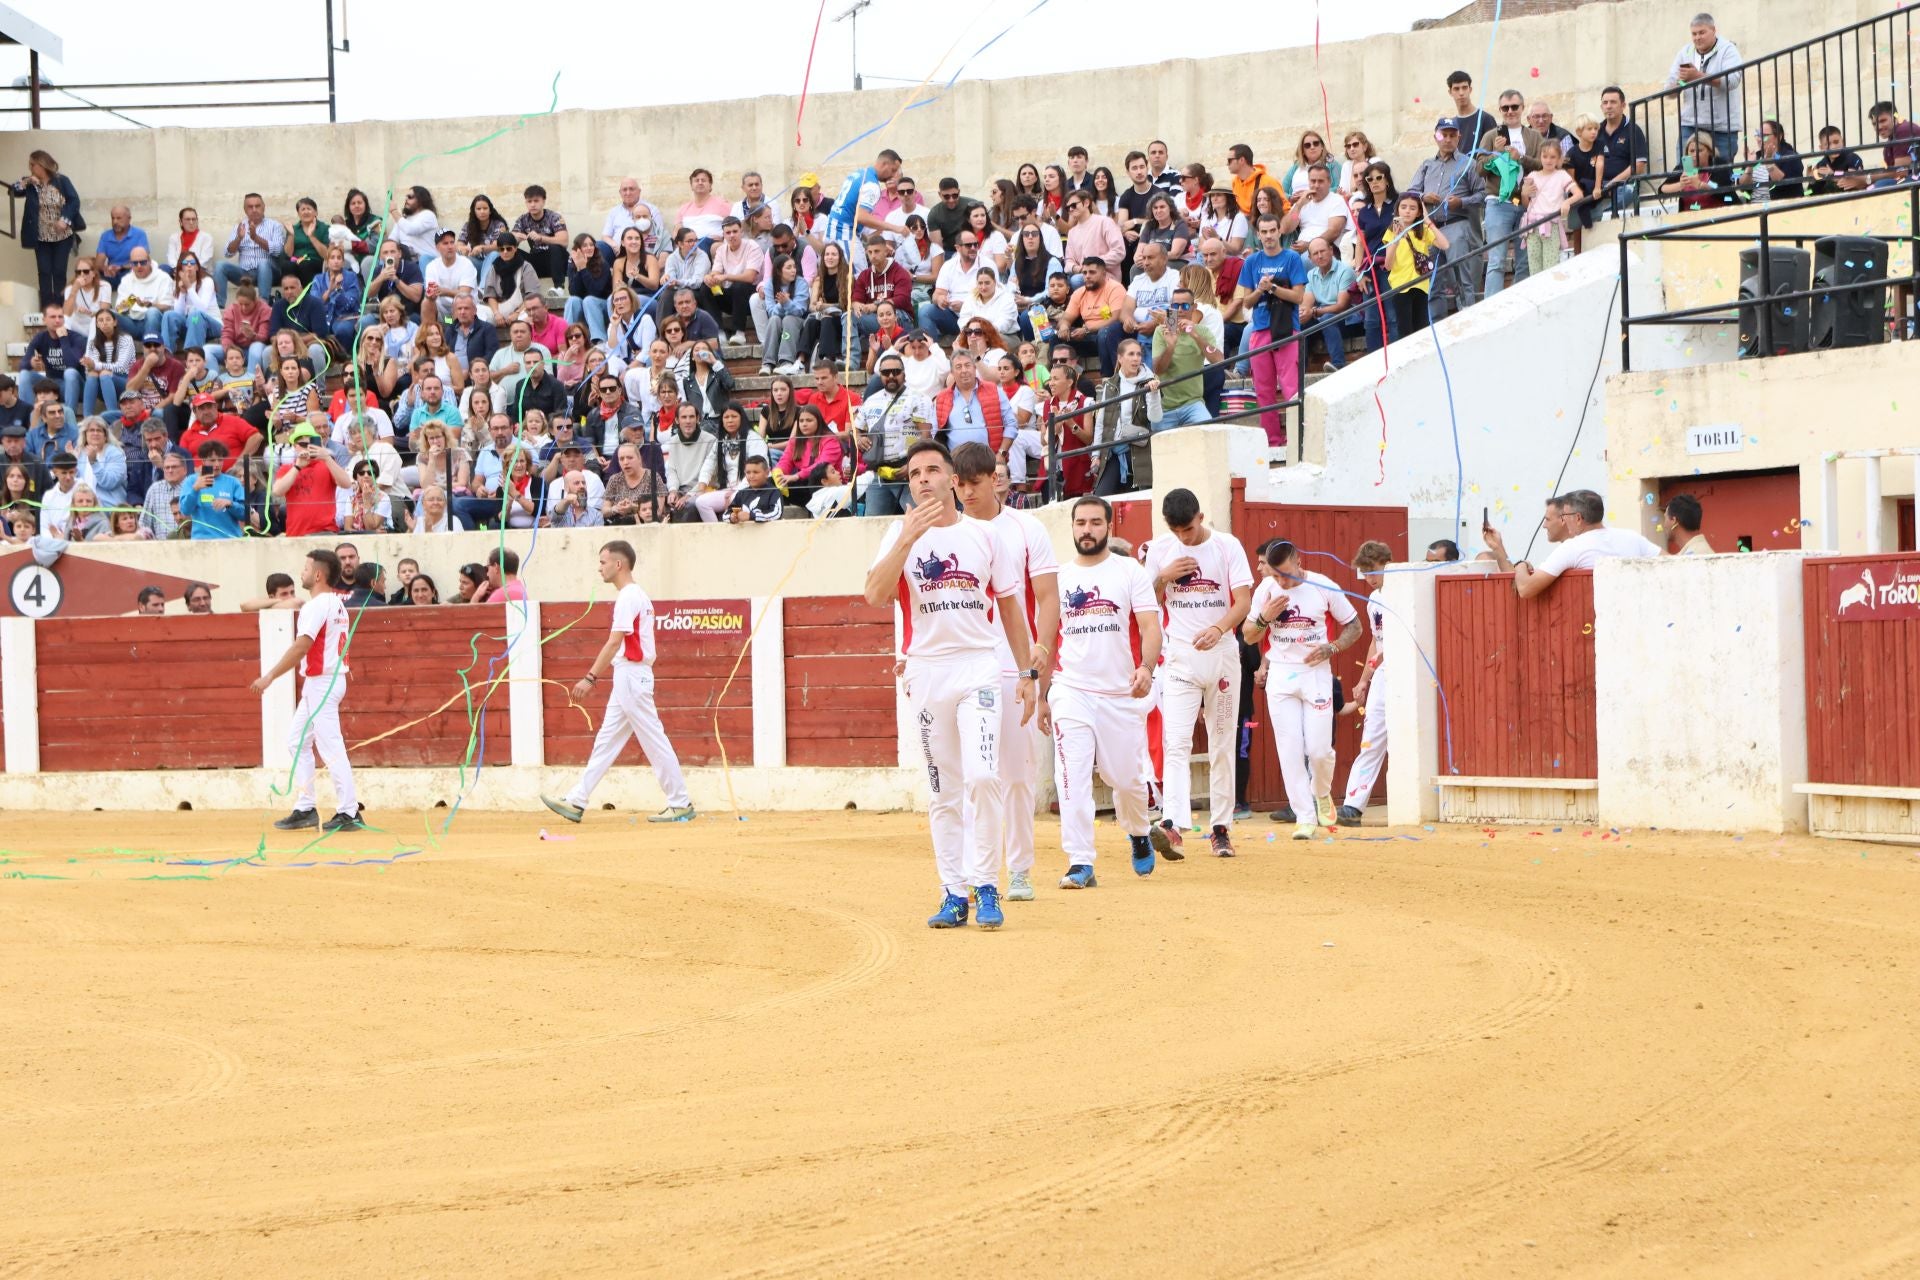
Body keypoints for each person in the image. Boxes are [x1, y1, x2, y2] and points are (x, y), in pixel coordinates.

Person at [864, 440, 1037, 930]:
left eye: (931, 470)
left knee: (984, 776)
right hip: (927, 672)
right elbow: (875, 595)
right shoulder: (898, 535)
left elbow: (1009, 608)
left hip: (978, 665)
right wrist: (904, 541)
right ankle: (953, 891)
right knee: (944, 789)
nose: (921, 479)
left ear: (952, 480)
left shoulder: (985, 537)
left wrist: (1027, 675)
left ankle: (986, 885)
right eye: (914, 473)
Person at [951, 441, 1060, 904]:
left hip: (1013, 666)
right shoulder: (947, 531)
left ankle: (1018, 869)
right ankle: (980, 873)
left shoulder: (1025, 528)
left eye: (976, 483)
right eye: (961, 485)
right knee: (975, 778)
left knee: (1015, 774)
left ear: (995, 480)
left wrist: (1041, 653)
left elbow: (1048, 598)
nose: (968, 493)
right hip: (964, 667)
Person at [1040, 494, 1163, 887]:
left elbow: (1149, 627)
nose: (1087, 530)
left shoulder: (1129, 572)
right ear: (1072, 527)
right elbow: (1044, 639)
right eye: (1080, 523)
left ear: (1109, 526)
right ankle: (1080, 861)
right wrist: (1043, 695)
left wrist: (1145, 667)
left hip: (1119, 693)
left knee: (1125, 779)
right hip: (1070, 689)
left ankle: (1139, 832)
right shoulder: (1058, 577)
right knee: (1070, 777)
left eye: (1095, 522)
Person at [541, 541, 695, 825]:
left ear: (618, 564)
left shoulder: (628, 597)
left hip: (631, 674)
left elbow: (615, 642)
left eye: (603, 562)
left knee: (653, 740)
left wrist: (590, 677)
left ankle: (679, 802)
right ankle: (577, 800)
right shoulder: (636, 596)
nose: (600, 567)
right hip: (630, 675)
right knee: (607, 741)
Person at [1143, 487, 1253, 857]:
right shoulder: (1161, 551)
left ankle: (1220, 827)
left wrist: (1219, 628)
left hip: (1220, 654)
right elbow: (1146, 603)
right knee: (1176, 742)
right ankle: (1172, 823)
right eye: (1176, 531)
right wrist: (1163, 576)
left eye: (1188, 530)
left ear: (1201, 518)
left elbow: (1243, 602)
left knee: (1222, 744)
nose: (1183, 538)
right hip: (1180, 657)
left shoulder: (1227, 546)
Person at [1243, 540, 1361, 840]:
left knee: (1319, 750)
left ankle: (1321, 792)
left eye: (1286, 574)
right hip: (1281, 675)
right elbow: (1248, 636)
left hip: (1315, 672)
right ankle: (1304, 816)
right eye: (1276, 575)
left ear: (1298, 562)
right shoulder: (1266, 590)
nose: (1282, 581)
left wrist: (1332, 648)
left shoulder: (1323, 586)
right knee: (1290, 749)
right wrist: (1264, 617)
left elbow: (1355, 626)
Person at [250, 549, 363, 833]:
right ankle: (305, 807)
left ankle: (349, 811)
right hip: (325, 681)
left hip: (323, 682)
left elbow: (302, 645)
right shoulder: (335, 603)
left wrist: (270, 676)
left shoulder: (316, 606)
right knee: (297, 741)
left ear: (317, 574)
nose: (301, 572)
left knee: (330, 747)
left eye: (305, 568)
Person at [1224, 213, 1307, 447]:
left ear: (1280, 231)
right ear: (1258, 235)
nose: (1269, 236)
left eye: (1273, 231)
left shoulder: (1291, 258)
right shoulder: (1252, 262)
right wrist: (1262, 290)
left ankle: (1296, 438)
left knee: (1291, 387)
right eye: (1264, 232)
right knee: (1263, 390)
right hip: (1260, 330)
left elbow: (1299, 296)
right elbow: (1246, 302)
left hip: (1286, 329)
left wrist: (1272, 288)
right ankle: (1272, 441)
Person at [1482, 489, 1660, 596]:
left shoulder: (1574, 547)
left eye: (1565, 516)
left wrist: (1521, 564)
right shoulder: (1632, 537)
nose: (1564, 521)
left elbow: (1526, 589)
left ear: (1578, 518)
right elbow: (1675, 562)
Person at [1404, 118, 1487, 319]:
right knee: (1432, 279)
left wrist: (1462, 202)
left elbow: (1483, 194)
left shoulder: (1468, 163)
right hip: (1431, 228)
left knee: (1462, 276)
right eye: (1443, 135)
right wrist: (1424, 197)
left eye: (1452, 135)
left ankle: (1468, 316)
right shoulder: (1427, 165)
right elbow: (1411, 192)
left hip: (1457, 224)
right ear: (1436, 137)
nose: (1447, 139)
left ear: (1459, 137)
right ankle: (1437, 322)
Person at [1337, 540, 1394, 826]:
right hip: (1383, 674)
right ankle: (1353, 805)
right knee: (1371, 738)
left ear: (1387, 564)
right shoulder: (1374, 602)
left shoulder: (1400, 595)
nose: (1370, 578)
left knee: (1402, 740)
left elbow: (1395, 642)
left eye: (1373, 571)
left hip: (1405, 672)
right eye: (1365, 573)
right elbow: (1376, 641)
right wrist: (1363, 682)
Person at [1665, 13, 1744, 168]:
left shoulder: (1728, 49)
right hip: (1690, 125)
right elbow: (1668, 91)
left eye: (1702, 32)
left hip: (1722, 128)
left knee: (1720, 175)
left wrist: (1698, 76)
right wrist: (1682, 82)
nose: (1697, 38)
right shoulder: (1685, 52)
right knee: (1685, 171)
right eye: (1694, 34)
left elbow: (1733, 80)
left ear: (1713, 30)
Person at [10, 150, 85, 308]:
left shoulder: (61, 180)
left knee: (58, 271)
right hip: (41, 236)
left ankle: (60, 307)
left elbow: (74, 201)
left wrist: (64, 220)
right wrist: (25, 182)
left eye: (33, 164)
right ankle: (46, 308)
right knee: (44, 271)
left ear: (42, 164)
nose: (30, 167)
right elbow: (12, 191)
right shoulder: (30, 183)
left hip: (62, 236)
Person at [1383, 194, 1450, 339]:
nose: (1407, 211)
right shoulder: (1390, 232)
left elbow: (1445, 244)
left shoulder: (1422, 230)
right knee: (1405, 331)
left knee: (1423, 329)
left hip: (1421, 285)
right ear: (1397, 210)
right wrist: (1396, 239)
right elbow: (1388, 265)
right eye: (1404, 207)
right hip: (1401, 286)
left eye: (1413, 208)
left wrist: (1428, 221)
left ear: (1419, 212)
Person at [1520, 141, 1580, 278]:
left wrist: (1567, 202)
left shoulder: (1562, 175)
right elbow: (1526, 203)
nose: (1548, 160)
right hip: (1532, 225)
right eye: (1545, 156)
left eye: (1553, 157)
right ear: (1540, 157)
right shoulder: (1532, 176)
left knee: (1550, 265)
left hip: (1550, 224)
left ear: (1559, 159)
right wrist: (1524, 193)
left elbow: (1578, 194)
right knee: (1534, 268)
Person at [1297, 238, 1356, 372]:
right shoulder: (1311, 275)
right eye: (1315, 253)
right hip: (1323, 317)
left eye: (1322, 251)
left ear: (1331, 251)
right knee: (1301, 323)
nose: (1320, 255)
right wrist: (1303, 313)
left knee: (1328, 319)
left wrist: (1315, 312)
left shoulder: (1345, 271)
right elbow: (1306, 303)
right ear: (1310, 258)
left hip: (1348, 319)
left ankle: (1338, 364)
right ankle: (1300, 371)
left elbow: (1342, 305)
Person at [218, 193, 288, 305]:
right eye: (250, 207)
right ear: (245, 209)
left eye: (257, 206)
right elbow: (228, 253)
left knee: (263, 263)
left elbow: (278, 250)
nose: (254, 209)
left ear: (264, 207)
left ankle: (263, 304)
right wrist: (238, 238)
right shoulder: (239, 227)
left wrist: (256, 238)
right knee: (220, 266)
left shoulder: (274, 226)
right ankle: (219, 306)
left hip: (268, 272)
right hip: (245, 274)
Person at [1598, 87, 1651, 216]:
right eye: (1605, 103)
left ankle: (1604, 216)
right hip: (1598, 184)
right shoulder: (1596, 131)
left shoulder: (1633, 130)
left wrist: (1613, 183)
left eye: (1613, 102)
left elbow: (1639, 166)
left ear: (1623, 105)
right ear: (1601, 107)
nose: (1608, 106)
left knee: (1628, 191)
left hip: (1623, 184)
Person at [1660, 134, 1738, 211]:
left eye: (1700, 151)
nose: (1695, 154)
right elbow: (1662, 189)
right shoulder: (1684, 167)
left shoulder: (1718, 165)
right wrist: (1680, 185)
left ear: (1710, 152)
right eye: (1692, 151)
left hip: (1718, 214)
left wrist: (1699, 184)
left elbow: (1720, 189)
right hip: (1689, 217)